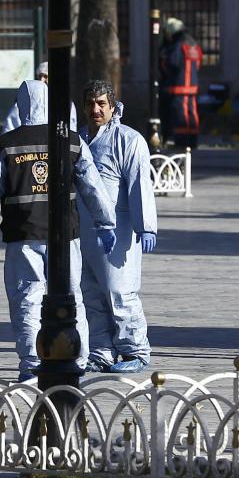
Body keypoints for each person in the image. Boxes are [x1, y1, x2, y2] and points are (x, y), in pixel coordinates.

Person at [0, 80, 117, 382]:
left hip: (24, 234)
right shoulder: (72, 141)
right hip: (66, 237)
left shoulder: (7, 144)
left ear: (22, 106)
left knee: (27, 299)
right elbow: (93, 186)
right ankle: (79, 357)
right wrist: (106, 222)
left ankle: (32, 364)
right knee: (72, 297)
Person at [79, 80, 158, 373]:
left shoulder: (129, 140)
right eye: (90, 103)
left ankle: (135, 349)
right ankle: (101, 351)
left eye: (101, 103)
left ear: (113, 106)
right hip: (84, 232)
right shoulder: (79, 139)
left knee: (120, 292)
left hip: (119, 231)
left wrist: (145, 225)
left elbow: (140, 184)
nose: (95, 109)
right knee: (91, 293)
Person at [159, 17, 203, 148]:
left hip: (178, 87)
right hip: (192, 87)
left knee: (181, 115)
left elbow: (171, 63)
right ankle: (193, 141)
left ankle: (182, 142)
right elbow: (199, 63)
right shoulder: (193, 44)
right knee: (192, 113)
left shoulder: (177, 45)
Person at [1, 61, 50, 132]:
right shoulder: (26, 101)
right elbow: (9, 127)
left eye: (45, 76)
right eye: (40, 76)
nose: (42, 80)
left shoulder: (64, 103)